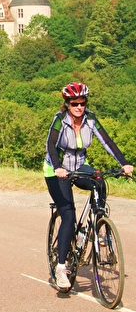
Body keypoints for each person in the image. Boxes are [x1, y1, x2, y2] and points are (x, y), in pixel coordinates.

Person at [44, 82, 133, 289]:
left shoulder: (90, 119)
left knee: (99, 180)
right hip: (57, 170)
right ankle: (61, 267)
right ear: (67, 104)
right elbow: (51, 144)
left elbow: (107, 142)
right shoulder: (60, 120)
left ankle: (98, 223)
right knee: (68, 215)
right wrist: (57, 167)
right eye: (74, 103)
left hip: (79, 166)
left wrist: (124, 163)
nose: (79, 107)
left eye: (82, 103)